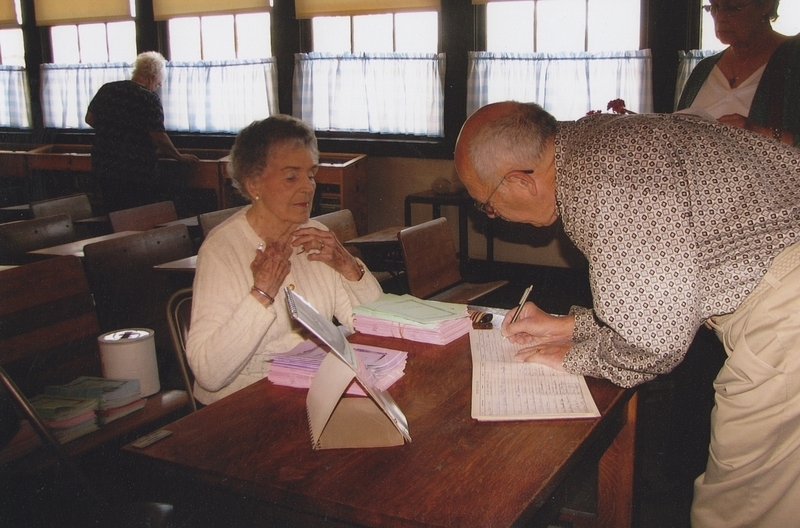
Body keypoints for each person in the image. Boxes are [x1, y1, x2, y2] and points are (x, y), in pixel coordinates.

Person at [454, 101, 800, 527]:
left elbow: (653, 342)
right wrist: (570, 325)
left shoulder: (601, 187)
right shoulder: (600, 143)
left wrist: (573, 355)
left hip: (787, 312)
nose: (494, 215)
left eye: (486, 204)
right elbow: (667, 292)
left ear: (520, 182)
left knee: (739, 510)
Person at [185, 115, 382, 406]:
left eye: (311, 174)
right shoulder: (222, 250)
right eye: (291, 177)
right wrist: (262, 292)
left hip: (305, 394)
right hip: (240, 408)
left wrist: (349, 268)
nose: (308, 187)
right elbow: (209, 374)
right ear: (254, 184)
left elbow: (373, 327)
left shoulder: (315, 236)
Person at [85, 51, 199, 212]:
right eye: (159, 83)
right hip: (135, 170)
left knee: (114, 213)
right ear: (152, 77)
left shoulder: (107, 89)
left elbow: (89, 119)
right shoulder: (148, 99)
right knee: (137, 214)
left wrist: (112, 130)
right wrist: (178, 156)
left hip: (104, 165)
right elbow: (158, 136)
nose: (158, 87)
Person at [676, 0, 800, 147]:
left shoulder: (793, 59)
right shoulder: (703, 69)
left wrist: (757, 132)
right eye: (715, 7)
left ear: (766, 5)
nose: (720, 16)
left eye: (733, 8)